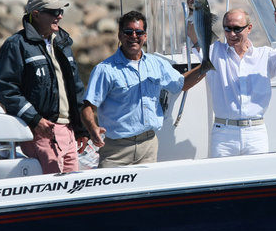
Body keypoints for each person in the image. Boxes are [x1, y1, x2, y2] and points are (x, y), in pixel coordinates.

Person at [81, 11, 205, 168]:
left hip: (149, 146)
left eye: (138, 32)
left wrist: (205, 66)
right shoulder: (104, 70)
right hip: (115, 151)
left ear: (145, 36)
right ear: (120, 35)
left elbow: (182, 84)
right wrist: (93, 129)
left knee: (147, 193)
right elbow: (88, 107)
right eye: (128, 32)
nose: (134, 36)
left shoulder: (156, 63)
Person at [187, 0, 276, 157]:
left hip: (256, 133)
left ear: (249, 28)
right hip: (223, 134)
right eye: (227, 29)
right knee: (223, 181)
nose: (231, 34)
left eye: (237, 29)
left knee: (259, 180)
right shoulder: (214, 52)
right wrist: (193, 10)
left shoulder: (265, 55)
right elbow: (194, 35)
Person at [0, 0, 89, 174]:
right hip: (42, 133)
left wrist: (81, 129)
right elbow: (6, 89)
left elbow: (75, 88)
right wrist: (35, 120)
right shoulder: (16, 45)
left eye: (60, 11)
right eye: (53, 12)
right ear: (36, 15)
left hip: (68, 131)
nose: (59, 16)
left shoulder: (63, 43)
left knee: (72, 193)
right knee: (53, 192)